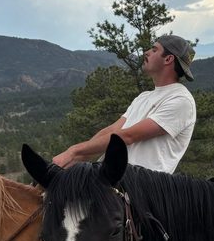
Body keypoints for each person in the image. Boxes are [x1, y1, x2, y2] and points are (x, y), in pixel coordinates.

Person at [53, 34, 197, 173]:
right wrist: (79, 157)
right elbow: (112, 130)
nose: (146, 52)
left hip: (139, 185)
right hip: (111, 178)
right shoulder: (143, 97)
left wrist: (74, 151)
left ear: (168, 59)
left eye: (154, 50)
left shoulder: (181, 100)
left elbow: (128, 136)